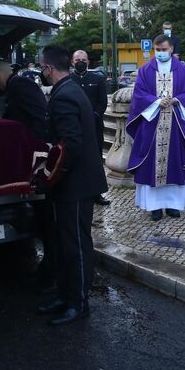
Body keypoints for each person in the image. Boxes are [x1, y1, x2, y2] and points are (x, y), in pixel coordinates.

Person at [33, 46, 107, 325]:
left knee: (75, 244)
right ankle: (66, 295)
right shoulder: (72, 89)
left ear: (48, 68)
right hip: (76, 183)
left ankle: (78, 302)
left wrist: (53, 174)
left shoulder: (63, 96)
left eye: (42, 67)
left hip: (74, 185)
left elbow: (70, 144)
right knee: (65, 243)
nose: (41, 72)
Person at [0, 60, 56, 291]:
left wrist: (32, 147)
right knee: (43, 219)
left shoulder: (18, 85)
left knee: (47, 219)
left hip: (36, 156)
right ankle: (49, 270)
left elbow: (37, 116)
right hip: (31, 156)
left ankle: (51, 271)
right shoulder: (18, 85)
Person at [126, 34, 185, 221]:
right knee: (151, 164)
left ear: (171, 50)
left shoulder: (182, 71)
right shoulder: (145, 70)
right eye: (158, 50)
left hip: (175, 126)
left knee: (175, 163)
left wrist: (178, 100)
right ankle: (154, 207)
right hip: (152, 126)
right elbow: (139, 95)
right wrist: (155, 102)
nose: (161, 53)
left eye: (164, 49)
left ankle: (172, 206)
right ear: (154, 49)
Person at [70, 49, 110, 205]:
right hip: (74, 126)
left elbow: (103, 102)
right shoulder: (68, 79)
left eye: (84, 60)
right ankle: (77, 191)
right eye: (77, 59)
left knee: (96, 160)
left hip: (94, 126)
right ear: (72, 62)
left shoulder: (97, 79)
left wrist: (94, 116)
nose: (81, 62)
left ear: (88, 62)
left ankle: (96, 193)